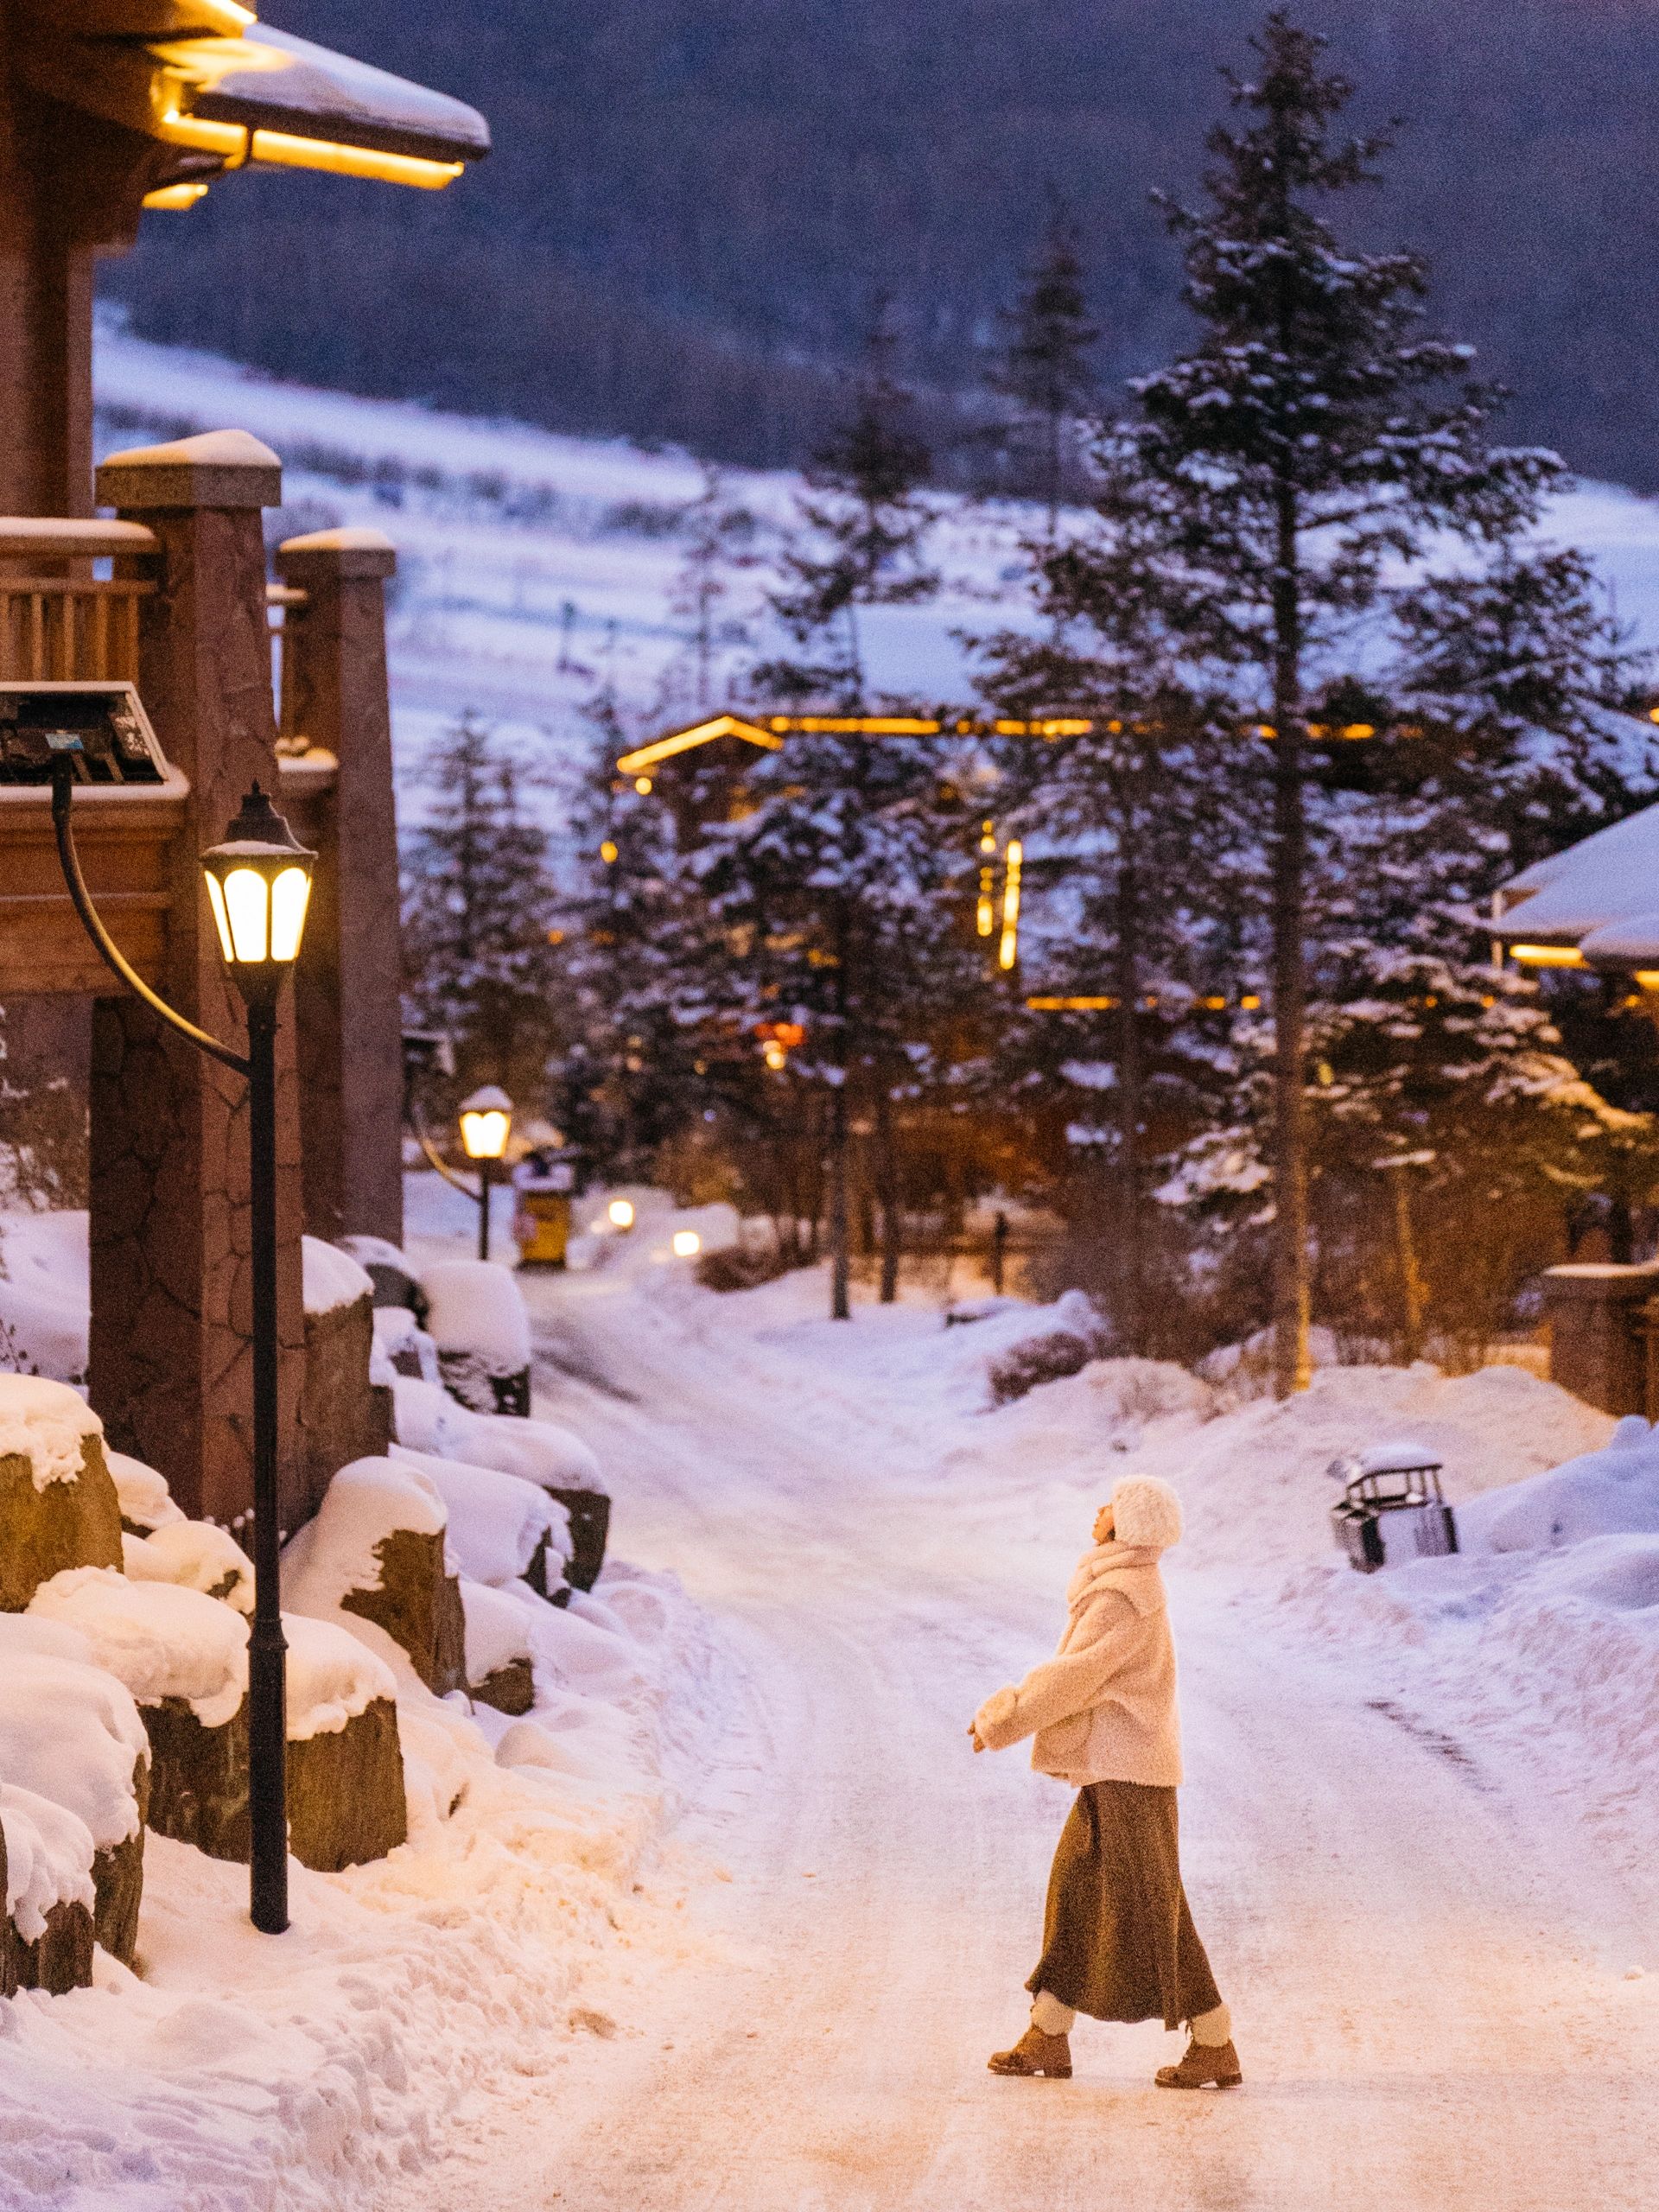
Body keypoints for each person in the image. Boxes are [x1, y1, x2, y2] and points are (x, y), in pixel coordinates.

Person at [970, 1474, 1240, 2088]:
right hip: (1114, 1772)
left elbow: (1073, 1676)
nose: (1097, 1510)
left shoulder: (1123, 1596)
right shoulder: (1120, 1586)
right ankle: (1048, 2033)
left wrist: (1003, 1716)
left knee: (1153, 1907)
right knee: (1076, 1892)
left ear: (1126, 1523)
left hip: (1131, 1776)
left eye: (1109, 1505)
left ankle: (1215, 2040)